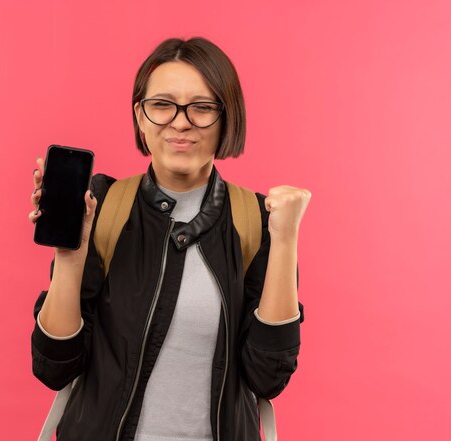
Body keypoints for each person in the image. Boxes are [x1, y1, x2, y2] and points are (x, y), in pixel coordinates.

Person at [28, 36, 311, 441]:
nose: (181, 122)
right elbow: (53, 367)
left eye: (202, 107)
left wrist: (285, 239)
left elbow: (268, 378)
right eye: (161, 105)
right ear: (140, 117)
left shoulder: (257, 220)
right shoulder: (103, 206)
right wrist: (71, 256)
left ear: (227, 118)